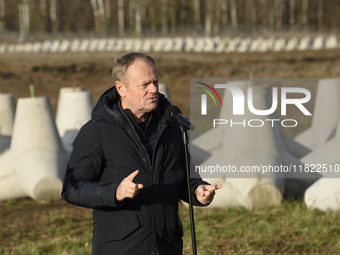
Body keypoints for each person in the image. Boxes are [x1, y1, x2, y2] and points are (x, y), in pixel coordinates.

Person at [61, 52, 221, 255]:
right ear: (121, 88)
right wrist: (115, 192)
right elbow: (72, 188)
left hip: (167, 245)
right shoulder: (97, 130)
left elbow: (181, 175)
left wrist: (198, 191)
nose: (154, 89)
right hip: (122, 247)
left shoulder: (170, 125)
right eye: (144, 85)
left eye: (155, 81)